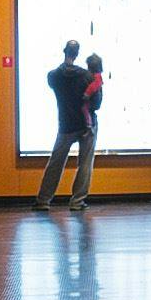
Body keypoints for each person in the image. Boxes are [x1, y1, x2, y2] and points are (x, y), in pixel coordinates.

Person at [43, 39, 105, 213]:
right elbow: (97, 103)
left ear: (65, 51)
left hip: (65, 123)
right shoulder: (86, 76)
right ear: (77, 54)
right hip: (87, 125)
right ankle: (77, 201)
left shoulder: (53, 76)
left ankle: (43, 200)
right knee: (85, 164)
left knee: (56, 162)